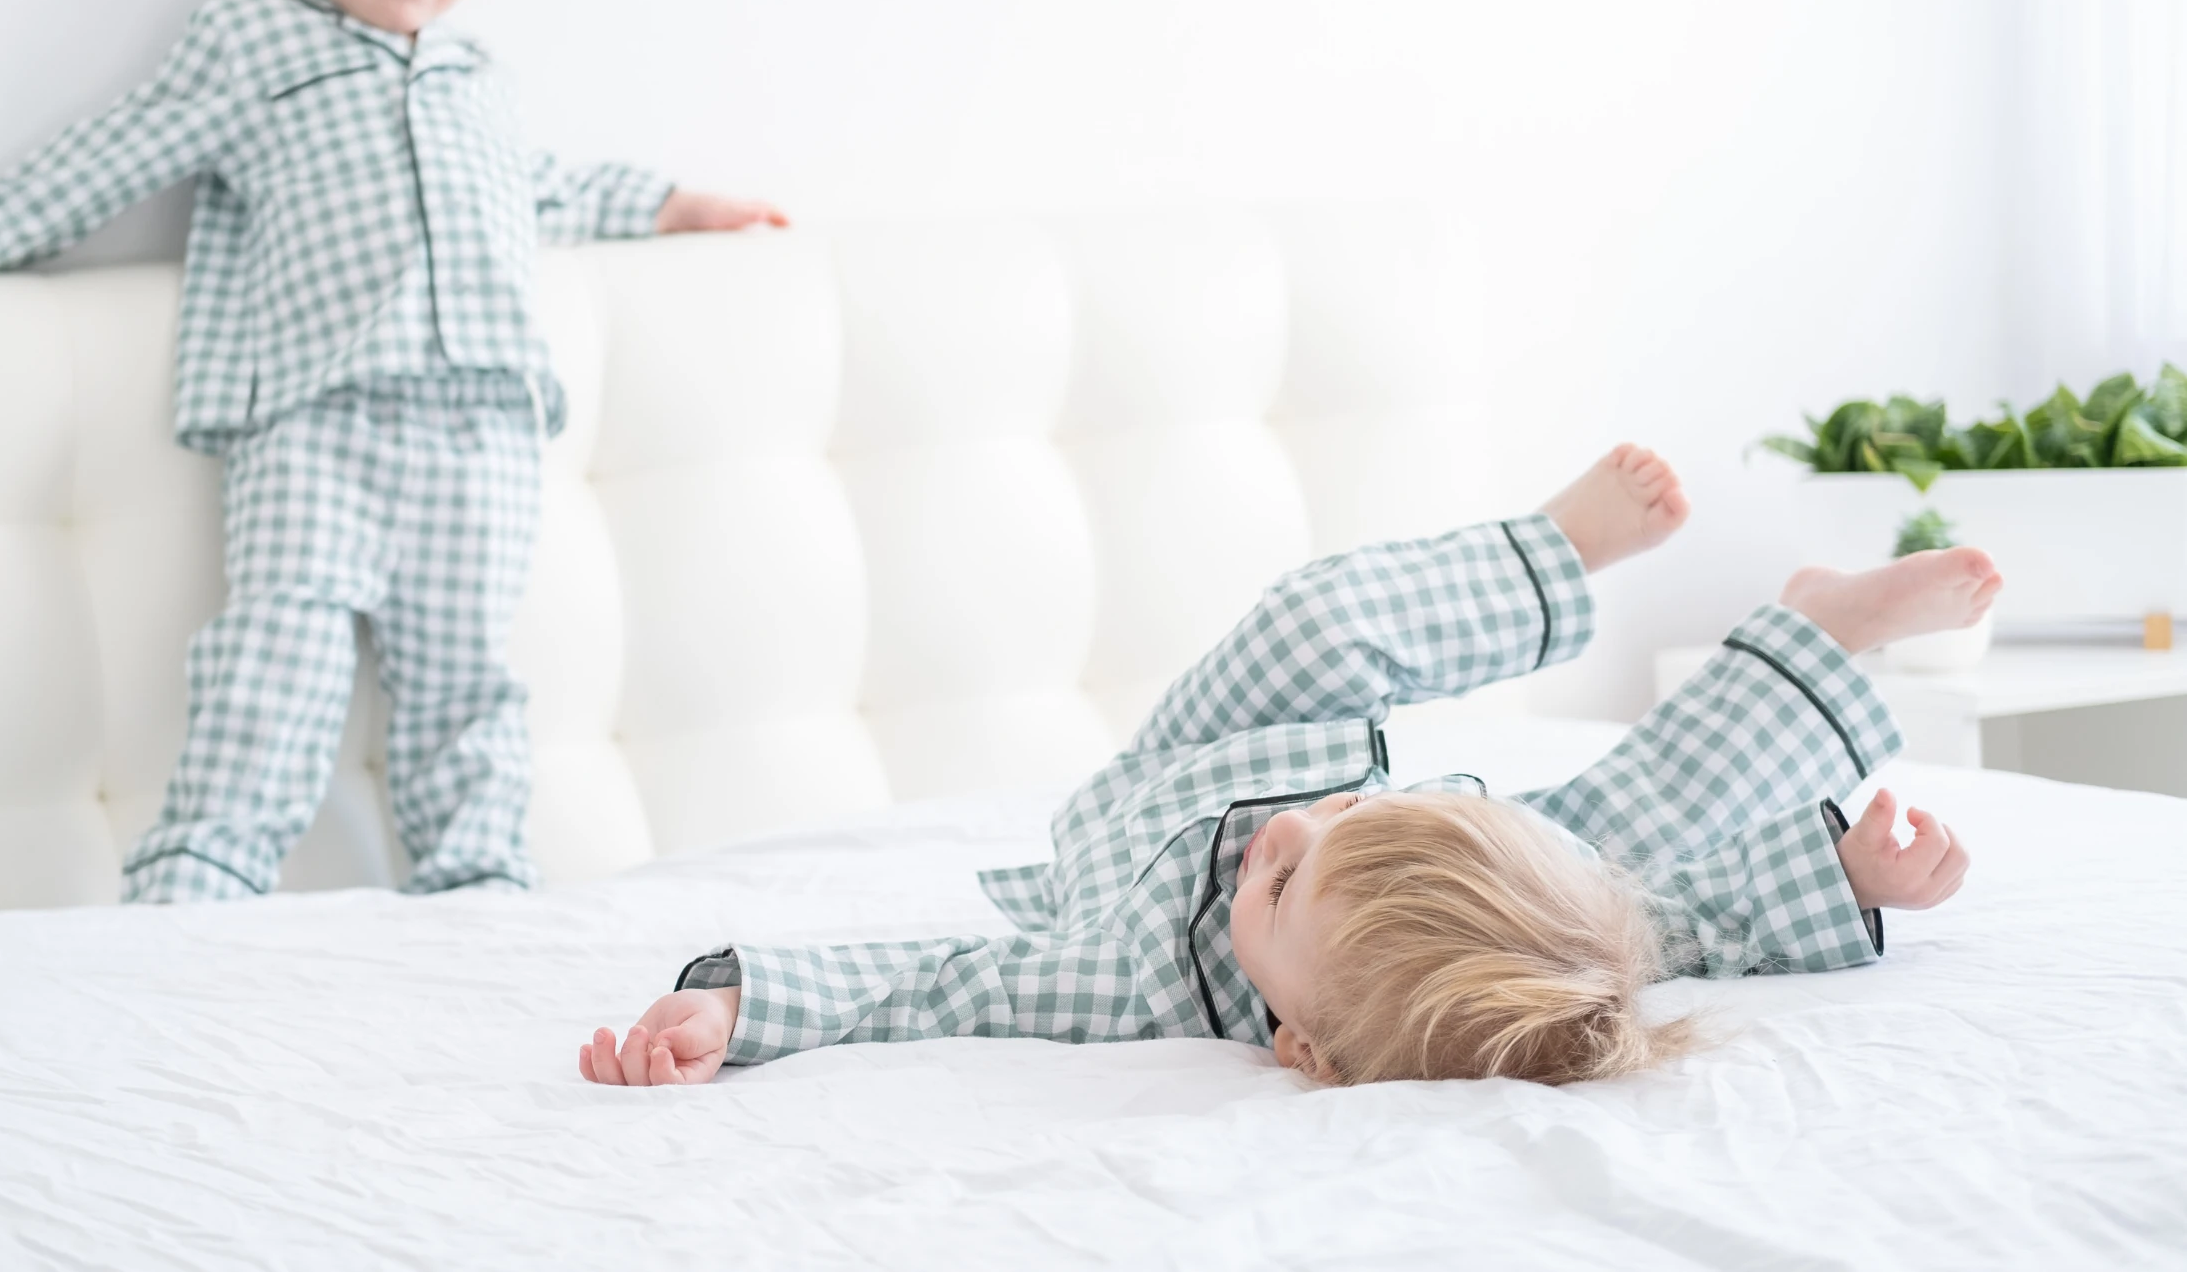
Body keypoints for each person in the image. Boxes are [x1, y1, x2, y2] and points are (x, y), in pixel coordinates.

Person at [0, 0, 785, 902]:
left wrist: (673, 204)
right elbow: (120, 147)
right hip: (318, 420)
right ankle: (197, 883)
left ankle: (483, 894)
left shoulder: (473, 73)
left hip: (483, 431)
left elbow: (540, 184)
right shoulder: (253, 39)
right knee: (274, 661)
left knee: (465, 687)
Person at [580, 445, 1993, 1088]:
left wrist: (739, 1004)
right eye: (1339, 834)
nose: (1275, 843)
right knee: (1336, 632)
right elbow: (1687, 913)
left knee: (1624, 870)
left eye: (1282, 892)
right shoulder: (1343, 821)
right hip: (1239, 744)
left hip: (1140, 802)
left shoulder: (1126, 972)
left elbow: (930, 984)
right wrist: (1845, 866)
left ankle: (1819, 616)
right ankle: (1560, 556)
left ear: (1296, 1043)